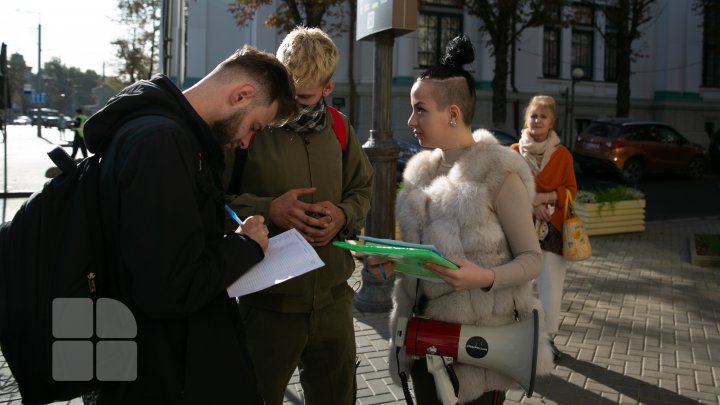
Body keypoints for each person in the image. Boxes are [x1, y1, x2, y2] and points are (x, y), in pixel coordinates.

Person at [82, 45, 297, 404]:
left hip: (164, 363)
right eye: (255, 126)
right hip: (166, 374)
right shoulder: (161, 143)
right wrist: (246, 247)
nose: (247, 142)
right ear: (241, 95)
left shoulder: (169, 137)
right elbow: (170, 287)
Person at [365, 35, 553, 404]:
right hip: (420, 345)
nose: (410, 119)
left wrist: (483, 278)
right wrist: (390, 265)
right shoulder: (419, 174)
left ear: (452, 113)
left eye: (420, 109)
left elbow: (532, 260)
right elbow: (421, 261)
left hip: (478, 355)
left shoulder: (499, 173)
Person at [224, 27, 374, 405]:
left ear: (328, 88)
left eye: (303, 97)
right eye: (286, 94)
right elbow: (212, 200)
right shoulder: (249, 126)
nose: (290, 106)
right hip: (267, 307)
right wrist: (269, 209)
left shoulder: (340, 128)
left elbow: (362, 188)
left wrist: (343, 214)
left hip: (333, 301)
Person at [511, 95, 577, 362]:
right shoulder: (513, 152)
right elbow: (505, 190)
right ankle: (520, 337)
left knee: (551, 286)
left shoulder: (562, 155)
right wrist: (531, 201)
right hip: (519, 229)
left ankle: (548, 340)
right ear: (526, 119)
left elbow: (571, 190)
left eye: (543, 116)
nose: (537, 121)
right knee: (518, 287)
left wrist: (546, 198)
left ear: (552, 122)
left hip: (553, 230)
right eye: (533, 116)